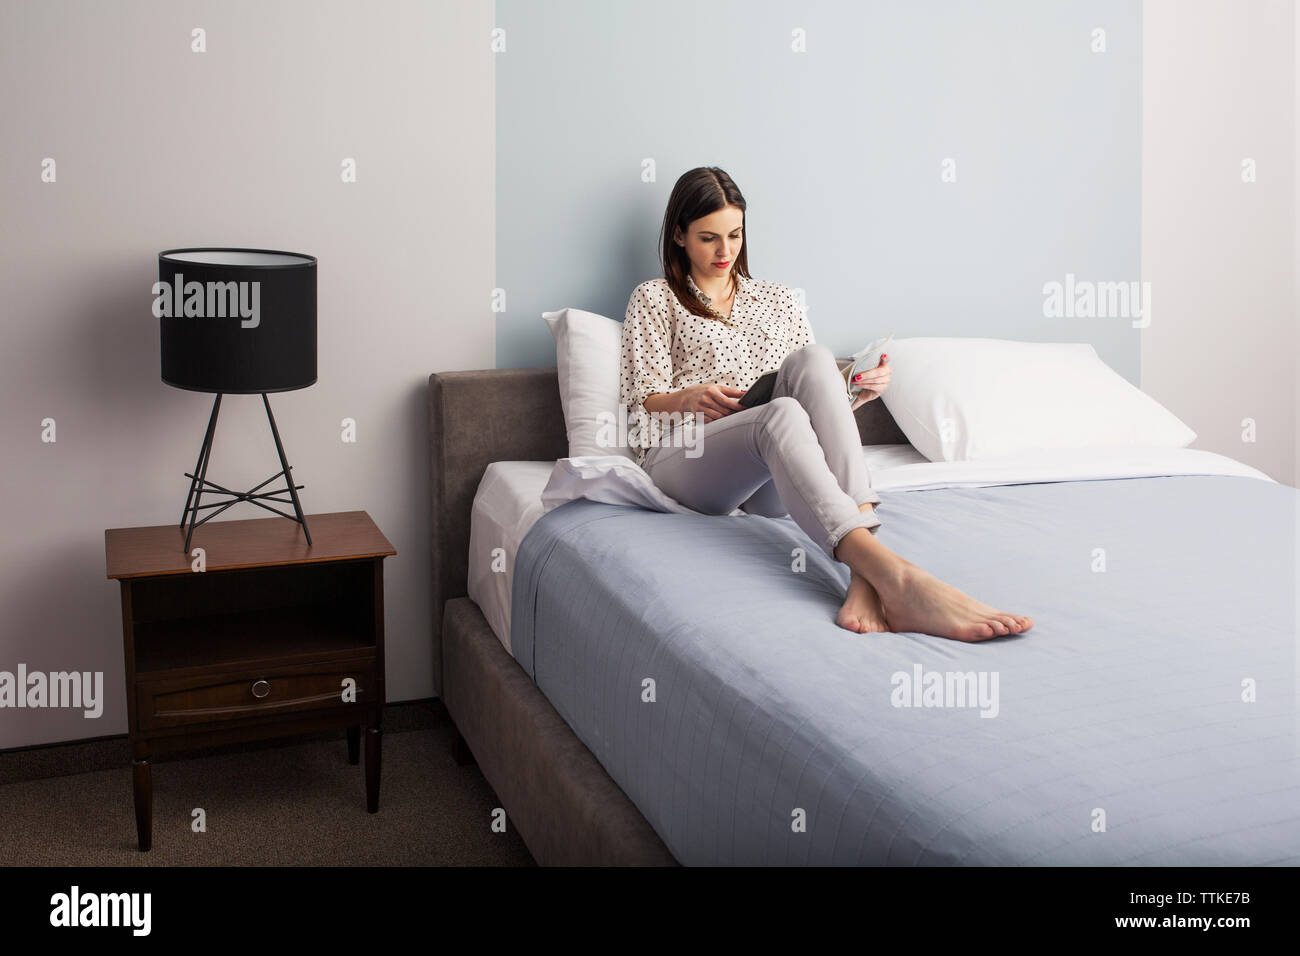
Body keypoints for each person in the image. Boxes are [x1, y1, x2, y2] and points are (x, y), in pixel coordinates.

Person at [620, 167, 1033, 641]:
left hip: (769, 479)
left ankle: (865, 580)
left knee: (813, 362)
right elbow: (639, 406)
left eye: (735, 235)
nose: (725, 251)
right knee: (778, 414)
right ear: (678, 235)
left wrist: (853, 390)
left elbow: (814, 410)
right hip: (689, 459)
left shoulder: (778, 300)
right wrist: (687, 397)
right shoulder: (655, 298)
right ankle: (895, 574)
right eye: (708, 238)